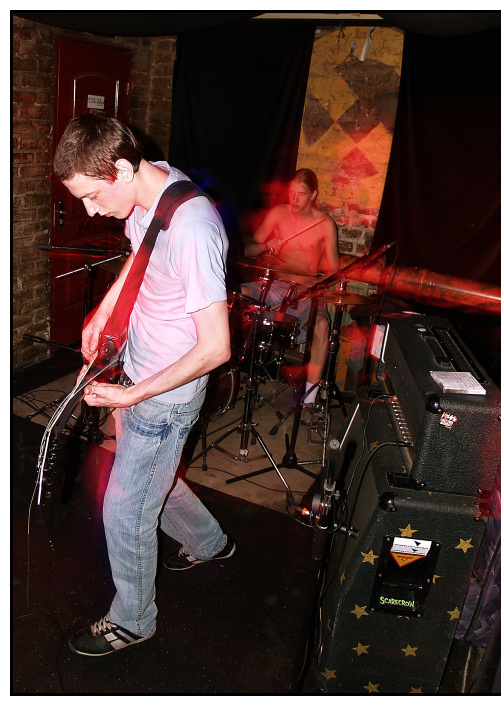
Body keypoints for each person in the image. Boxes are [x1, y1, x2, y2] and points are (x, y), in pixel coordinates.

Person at [53, 113, 235, 656]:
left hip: (165, 394)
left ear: (123, 170)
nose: (90, 210)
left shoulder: (193, 227)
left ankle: (134, 620)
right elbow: (142, 254)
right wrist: (103, 312)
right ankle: (210, 543)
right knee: (154, 474)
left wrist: (132, 394)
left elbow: (216, 348)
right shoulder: (151, 185)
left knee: (125, 509)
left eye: (92, 195)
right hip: (138, 368)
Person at [242, 168, 339, 407]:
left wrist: (314, 284)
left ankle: (309, 400)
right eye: (291, 192)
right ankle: (238, 372)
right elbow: (249, 249)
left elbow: (334, 272)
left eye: (301, 194)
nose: (294, 199)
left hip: (307, 291)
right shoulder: (278, 213)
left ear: (313, 194)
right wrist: (265, 245)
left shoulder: (325, 224)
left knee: (322, 325)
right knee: (238, 295)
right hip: (276, 286)